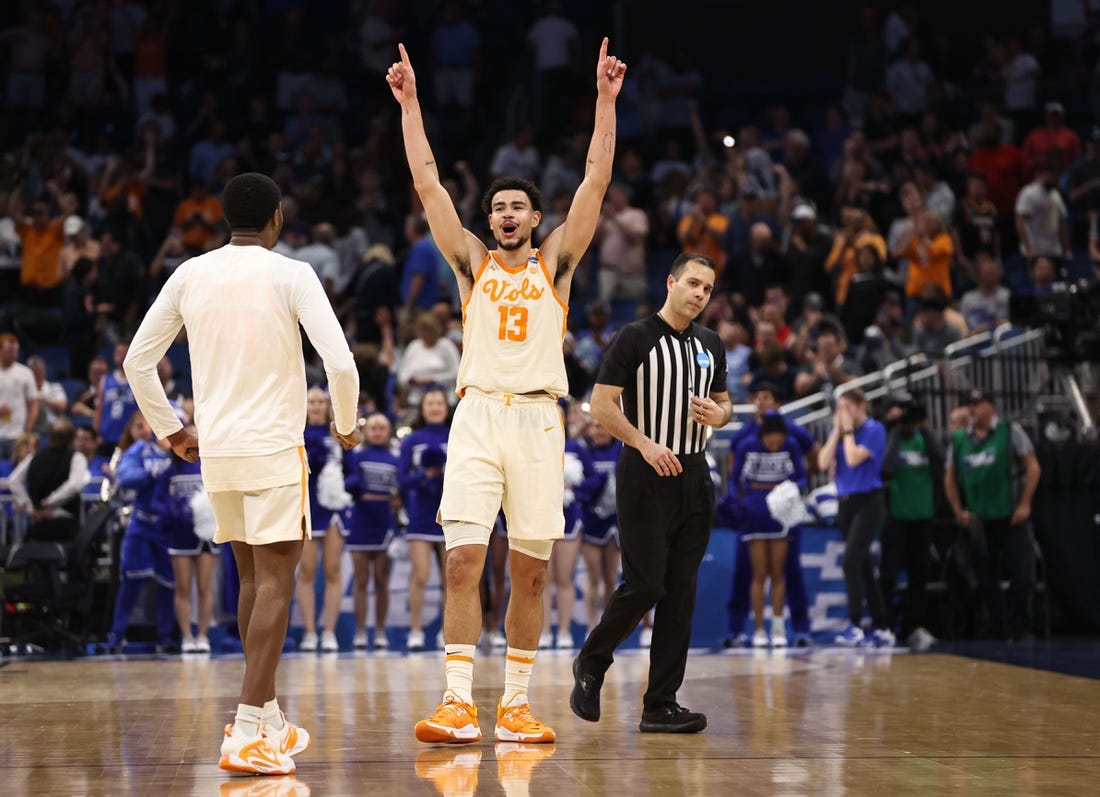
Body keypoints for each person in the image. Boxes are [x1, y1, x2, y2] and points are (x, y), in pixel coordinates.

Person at [387, 37, 626, 745]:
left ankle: (515, 705)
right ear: (490, 221)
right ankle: (457, 702)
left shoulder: (557, 262)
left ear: (533, 216)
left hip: (539, 422)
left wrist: (606, 103)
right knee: (463, 560)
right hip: (479, 416)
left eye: (520, 205)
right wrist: (410, 103)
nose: (510, 214)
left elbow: (595, 182)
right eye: (500, 208)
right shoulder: (471, 263)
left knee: (529, 574)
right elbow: (429, 181)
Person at [123, 172, 359, 775]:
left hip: (218, 452)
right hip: (276, 449)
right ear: (277, 219)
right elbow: (339, 359)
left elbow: (137, 361)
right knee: (278, 580)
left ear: (226, 219)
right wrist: (347, 423)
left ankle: (271, 718)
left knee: (252, 579)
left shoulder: (189, 273)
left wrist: (173, 430)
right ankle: (249, 726)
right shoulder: (293, 273)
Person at [571, 252, 731, 734]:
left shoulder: (711, 343)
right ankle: (593, 660)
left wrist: (718, 416)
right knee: (646, 584)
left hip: (695, 474)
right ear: (671, 282)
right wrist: (643, 443)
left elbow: (726, 404)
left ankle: (660, 703)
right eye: (694, 284)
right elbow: (600, 403)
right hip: (644, 473)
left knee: (681, 593)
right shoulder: (635, 337)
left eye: (708, 288)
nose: (701, 294)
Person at [722, 383, 818, 648]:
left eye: (767, 397)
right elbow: (734, 472)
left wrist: (790, 490)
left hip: (784, 513)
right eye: (757, 397)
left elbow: (813, 455)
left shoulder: (791, 432)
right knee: (748, 571)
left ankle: (799, 629)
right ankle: (738, 630)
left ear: (776, 402)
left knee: (790, 572)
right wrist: (741, 502)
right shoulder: (743, 437)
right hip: (753, 513)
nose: (761, 402)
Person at [944, 390, 1041, 641]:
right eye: (969, 405)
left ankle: (1021, 627)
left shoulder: (1010, 431)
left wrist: (1025, 504)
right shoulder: (959, 440)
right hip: (979, 520)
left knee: (1023, 575)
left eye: (977, 405)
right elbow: (949, 479)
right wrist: (958, 511)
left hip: (1011, 516)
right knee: (986, 579)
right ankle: (997, 628)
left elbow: (1033, 467)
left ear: (990, 407)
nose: (972, 410)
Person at [818, 388, 893, 647]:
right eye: (839, 409)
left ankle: (855, 624)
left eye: (846, 407)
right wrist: (838, 432)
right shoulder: (841, 433)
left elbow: (852, 459)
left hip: (869, 502)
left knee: (850, 562)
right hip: (845, 503)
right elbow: (822, 462)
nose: (842, 414)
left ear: (861, 406)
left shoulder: (874, 430)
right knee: (861, 567)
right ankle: (882, 625)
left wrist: (847, 431)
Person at [880, 399, 942, 651]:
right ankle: (885, 627)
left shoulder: (924, 439)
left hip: (923, 516)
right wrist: (895, 431)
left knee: (919, 576)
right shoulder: (888, 439)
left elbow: (941, 459)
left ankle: (914, 626)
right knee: (888, 575)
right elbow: (887, 469)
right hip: (896, 516)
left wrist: (925, 427)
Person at [296, 386, 351, 653]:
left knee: (332, 570)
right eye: (311, 401)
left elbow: (353, 470)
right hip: (306, 507)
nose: (316, 406)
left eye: (320, 401)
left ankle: (329, 632)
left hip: (332, 511)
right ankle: (308, 632)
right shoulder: (295, 433)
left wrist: (340, 485)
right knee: (305, 572)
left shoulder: (337, 433)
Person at [398, 386, 451, 652]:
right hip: (420, 515)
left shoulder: (456, 436)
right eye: (429, 402)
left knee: (450, 578)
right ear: (422, 408)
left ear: (446, 407)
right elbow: (402, 479)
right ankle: (415, 630)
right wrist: (425, 476)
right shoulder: (412, 440)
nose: (434, 407)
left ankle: (447, 632)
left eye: (439, 402)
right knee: (420, 575)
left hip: (450, 515)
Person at [344, 412, 400, 651]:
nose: (377, 432)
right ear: (366, 431)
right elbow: (348, 483)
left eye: (382, 428)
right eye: (373, 428)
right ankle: (359, 631)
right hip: (360, 522)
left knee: (381, 579)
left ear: (389, 431)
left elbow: (399, 494)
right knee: (361, 580)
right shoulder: (357, 456)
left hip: (384, 523)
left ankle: (379, 631)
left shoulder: (395, 459)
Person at [155, 440, 215, 654]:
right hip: (180, 535)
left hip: (206, 535)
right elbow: (158, 501)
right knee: (182, 587)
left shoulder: (211, 466)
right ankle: (187, 636)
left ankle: (203, 635)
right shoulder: (170, 471)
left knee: (204, 587)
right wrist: (174, 511)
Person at [7, 418, 89, 543]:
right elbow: (74, 485)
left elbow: (13, 481)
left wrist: (30, 507)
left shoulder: (34, 457)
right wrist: (50, 502)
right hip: (65, 524)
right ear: (72, 439)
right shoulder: (77, 458)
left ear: (50, 437)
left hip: (40, 518)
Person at [579, 415, 620, 636]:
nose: (600, 430)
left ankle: (608, 628)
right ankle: (592, 626)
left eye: (605, 425)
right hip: (591, 520)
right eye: (596, 426)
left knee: (611, 576)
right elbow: (579, 486)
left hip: (614, 522)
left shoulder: (621, 451)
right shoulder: (584, 452)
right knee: (592, 576)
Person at [0, 333, 39, 461]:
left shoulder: (25, 373)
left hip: (17, 436)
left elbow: (33, 404)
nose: (13, 353)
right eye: (9, 350)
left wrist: (26, 430)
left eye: (15, 350)